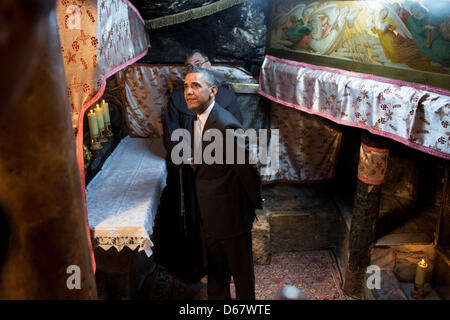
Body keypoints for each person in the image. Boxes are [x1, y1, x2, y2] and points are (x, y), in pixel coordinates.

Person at [154, 50, 243, 283]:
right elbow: (172, 132)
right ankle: (195, 264)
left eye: (197, 64)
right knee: (191, 219)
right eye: (188, 67)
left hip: (217, 172)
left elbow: (235, 133)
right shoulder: (177, 98)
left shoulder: (226, 98)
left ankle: (220, 266)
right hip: (187, 172)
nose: (192, 68)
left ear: (209, 66)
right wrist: (188, 157)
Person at [184, 67, 262, 300]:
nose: (188, 92)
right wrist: (198, 162)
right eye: (186, 86)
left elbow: (247, 168)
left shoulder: (226, 125)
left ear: (213, 90)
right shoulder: (197, 118)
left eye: (196, 86)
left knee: (241, 277)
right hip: (209, 214)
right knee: (217, 275)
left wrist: (255, 202)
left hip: (231, 215)